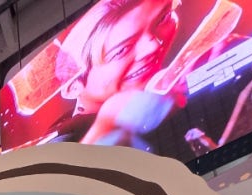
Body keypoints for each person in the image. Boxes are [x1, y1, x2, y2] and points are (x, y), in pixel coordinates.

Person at [52, 0, 182, 144]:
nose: (153, 46)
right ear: (73, 86)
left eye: (163, 19)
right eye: (121, 51)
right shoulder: (64, 142)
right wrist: (105, 127)